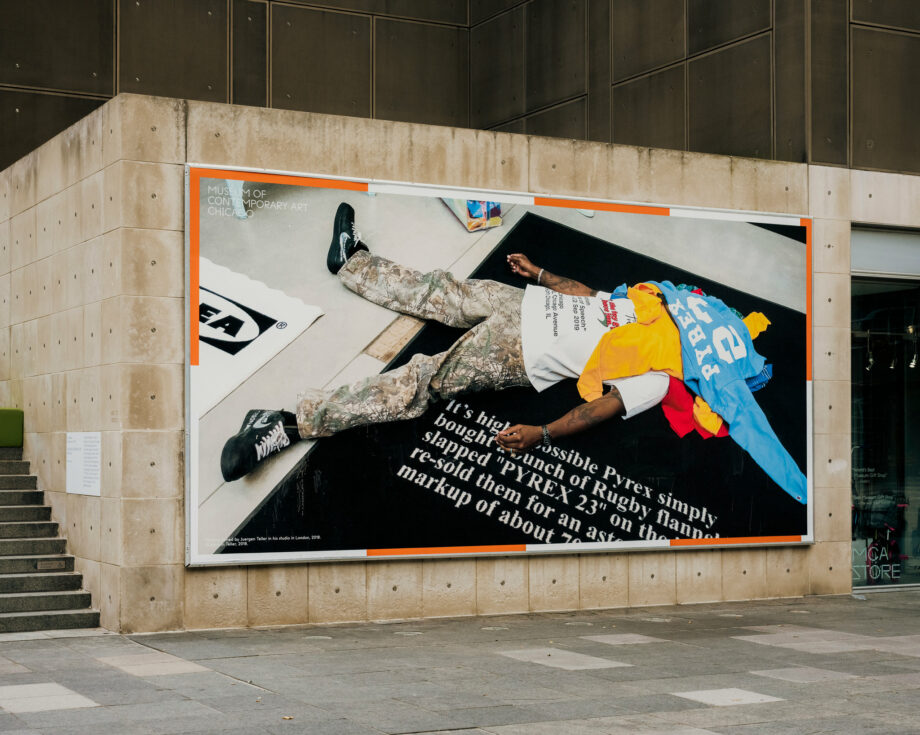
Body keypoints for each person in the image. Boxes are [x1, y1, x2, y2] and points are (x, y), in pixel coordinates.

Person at [219, 202, 669, 482]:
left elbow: (601, 408)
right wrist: (540, 274)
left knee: (423, 380)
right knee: (443, 291)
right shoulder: (656, 307)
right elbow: (592, 296)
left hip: (523, 350)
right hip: (524, 302)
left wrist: (542, 434)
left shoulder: (664, 376)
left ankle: (289, 422)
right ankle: (353, 263)